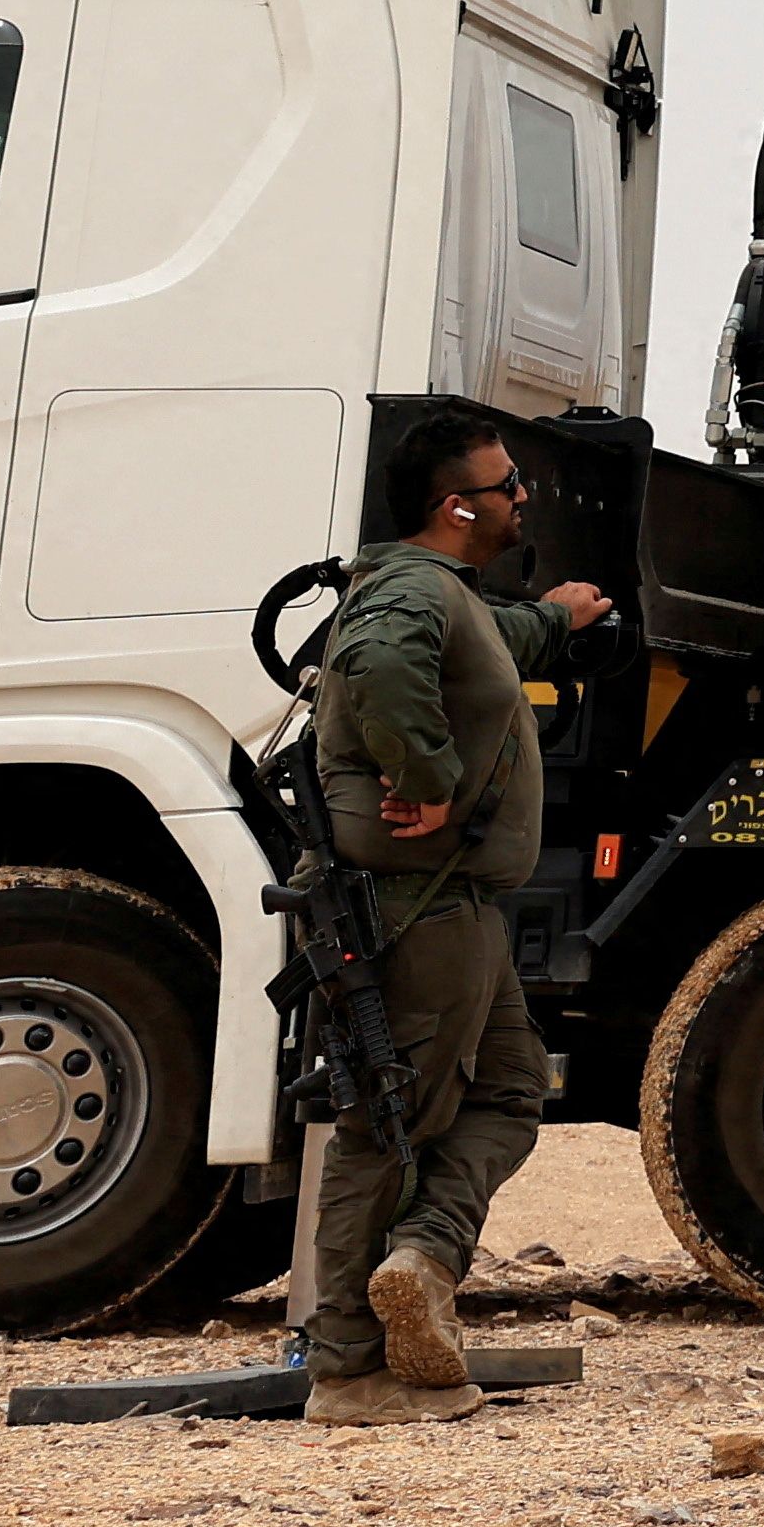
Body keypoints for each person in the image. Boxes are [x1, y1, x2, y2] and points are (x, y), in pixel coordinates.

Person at [296, 409, 603, 1421]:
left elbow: (487, 638)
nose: (524, 497)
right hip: (415, 902)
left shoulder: (446, 594)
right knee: (389, 1122)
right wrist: (421, 774)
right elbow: (385, 663)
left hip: (451, 904)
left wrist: (556, 617)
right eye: (507, 483)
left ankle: (420, 1260)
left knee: (511, 1086)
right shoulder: (408, 594)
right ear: (456, 505)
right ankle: (348, 1369)